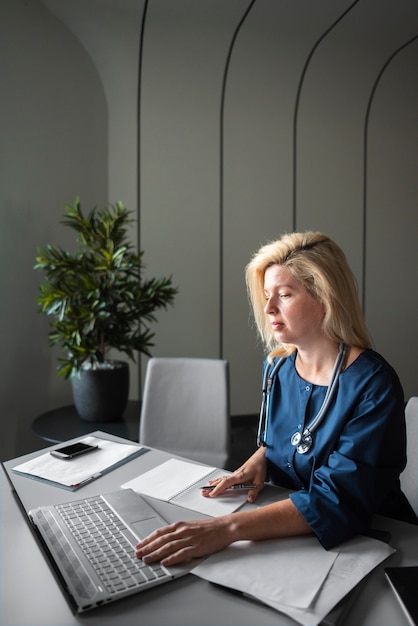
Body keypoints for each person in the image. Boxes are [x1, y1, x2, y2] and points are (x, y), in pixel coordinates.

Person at [135, 231, 417, 567]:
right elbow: (286, 438)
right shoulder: (278, 367)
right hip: (294, 537)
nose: (268, 308)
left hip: (376, 541)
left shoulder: (373, 383)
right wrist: (262, 458)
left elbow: (336, 498)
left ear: (325, 298)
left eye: (284, 294)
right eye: (267, 295)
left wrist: (225, 528)